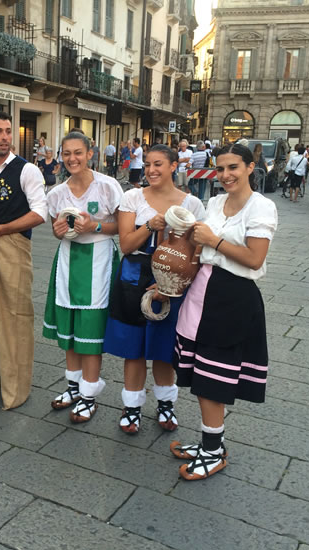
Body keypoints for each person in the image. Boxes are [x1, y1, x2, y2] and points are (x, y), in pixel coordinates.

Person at [172, 143, 277, 480]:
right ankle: (209, 441)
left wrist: (214, 240)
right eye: (220, 169)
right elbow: (197, 244)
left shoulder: (262, 207)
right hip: (201, 290)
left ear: (250, 167)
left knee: (213, 378)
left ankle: (213, 451)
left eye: (233, 167)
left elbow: (254, 259)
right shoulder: (215, 202)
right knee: (201, 374)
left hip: (232, 297)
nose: (226, 175)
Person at [103, 145, 205, 434]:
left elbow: (196, 254)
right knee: (133, 349)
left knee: (163, 349)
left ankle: (165, 404)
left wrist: (171, 285)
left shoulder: (192, 204)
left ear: (174, 166)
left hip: (173, 282)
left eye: (158, 164)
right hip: (134, 278)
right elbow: (125, 245)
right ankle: (132, 406)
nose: (151, 170)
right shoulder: (133, 197)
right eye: (147, 164)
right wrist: (150, 225)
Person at [44, 132, 123, 422]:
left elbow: (121, 227)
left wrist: (95, 226)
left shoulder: (108, 186)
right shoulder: (56, 193)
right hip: (67, 260)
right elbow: (56, 229)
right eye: (67, 154)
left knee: (90, 330)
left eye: (78, 152)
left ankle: (89, 394)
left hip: (99, 260)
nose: (72, 159)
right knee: (70, 329)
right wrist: (57, 232)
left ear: (90, 153)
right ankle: (73, 387)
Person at [0, 112, 48, 409]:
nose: (4, 137)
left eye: (7, 131)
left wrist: (1, 229)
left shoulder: (26, 170)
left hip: (14, 246)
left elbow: (40, 213)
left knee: (15, 316)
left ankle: (16, 387)